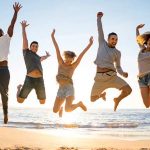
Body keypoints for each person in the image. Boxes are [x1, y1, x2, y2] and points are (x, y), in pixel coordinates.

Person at [91, 12, 132, 111]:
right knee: (92, 99)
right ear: (108, 39)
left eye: (116, 39)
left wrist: (123, 74)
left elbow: (118, 67)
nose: (115, 40)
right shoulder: (102, 43)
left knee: (128, 90)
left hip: (112, 76)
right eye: (113, 39)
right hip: (99, 78)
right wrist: (99, 18)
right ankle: (102, 95)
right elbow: (99, 30)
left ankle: (117, 99)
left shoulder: (117, 53)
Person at [51, 29, 93, 117]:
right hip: (61, 89)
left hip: (69, 88)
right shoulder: (60, 62)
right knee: (55, 110)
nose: (68, 62)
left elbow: (82, 54)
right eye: (67, 60)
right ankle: (60, 108)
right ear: (65, 57)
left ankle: (79, 104)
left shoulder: (73, 66)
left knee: (68, 109)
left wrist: (89, 44)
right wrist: (52, 36)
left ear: (72, 60)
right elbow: (57, 48)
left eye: (70, 61)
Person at [17, 20, 50, 105]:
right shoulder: (26, 53)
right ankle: (18, 89)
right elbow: (25, 40)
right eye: (33, 46)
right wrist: (23, 28)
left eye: (36, 46)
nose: (35, 47)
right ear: (30, 47)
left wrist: (47, 56)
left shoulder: (38, 57)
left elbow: (42, 58)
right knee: (20, 101)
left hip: (40, 79)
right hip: (29, 79)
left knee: (42, 102)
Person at [0, 2, 22, 124]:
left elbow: (12, 25)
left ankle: (6, 114)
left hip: (4, 70)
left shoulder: (6, 38)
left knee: (4, 93)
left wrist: (15, 12)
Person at [136, 24, 150, 108]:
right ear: (147, 41)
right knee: (147, 104)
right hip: (141, 79)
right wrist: (137, 28)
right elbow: (138, 39)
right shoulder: (142, 49)